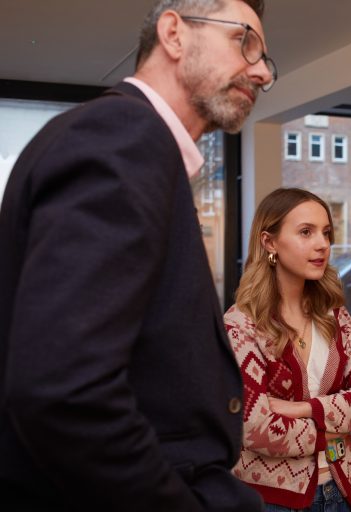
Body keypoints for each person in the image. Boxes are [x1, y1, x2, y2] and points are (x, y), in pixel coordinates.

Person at [0, 1, 274, 510]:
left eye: (264, 57)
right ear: (173, 33)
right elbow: (65, 393)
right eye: (245, 42)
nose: (261, 71)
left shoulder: (130, 142)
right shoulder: (126, 135)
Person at [225, 187, 351, 512]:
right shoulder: (241, 324)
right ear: (269, 242)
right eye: (305, 232)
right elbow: (255, 429)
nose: (322, 244)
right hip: (273, 501)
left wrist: (305, 409)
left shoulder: (335, 316)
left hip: (342, 492)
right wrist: (337, 431)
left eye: (325, 233)